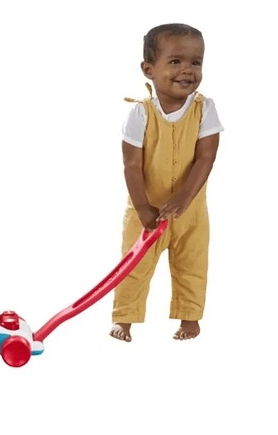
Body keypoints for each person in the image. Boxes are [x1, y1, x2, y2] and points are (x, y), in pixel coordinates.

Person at [110, 23, 224, 342]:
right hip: (146, 210)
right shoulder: (141, 113)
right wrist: (143, 208)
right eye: (175, 61)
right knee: (133, 266)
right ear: (149, 69)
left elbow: (206, 157)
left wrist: (185, 197)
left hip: (191, 213)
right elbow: (132, 165)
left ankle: (190, 319)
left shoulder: (204, 109)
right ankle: (124, 319)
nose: (187, 70)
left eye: (196, 62)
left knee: (192, 265)